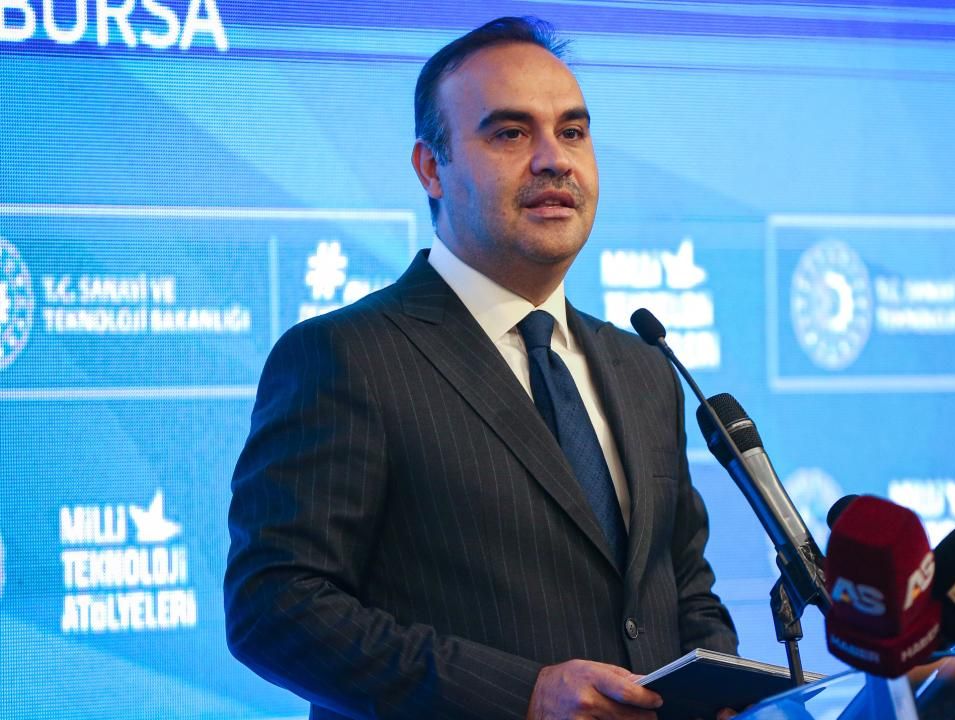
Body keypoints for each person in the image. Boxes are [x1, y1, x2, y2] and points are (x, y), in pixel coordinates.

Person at [224, 16, 738, 720]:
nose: (554, 160)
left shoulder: (642, 367)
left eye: (573, 132)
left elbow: (684, 589)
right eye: (511, 134)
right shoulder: (348, 357)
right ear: (431, 168)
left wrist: (719, 694)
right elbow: (274, 606)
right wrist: (522, 694)